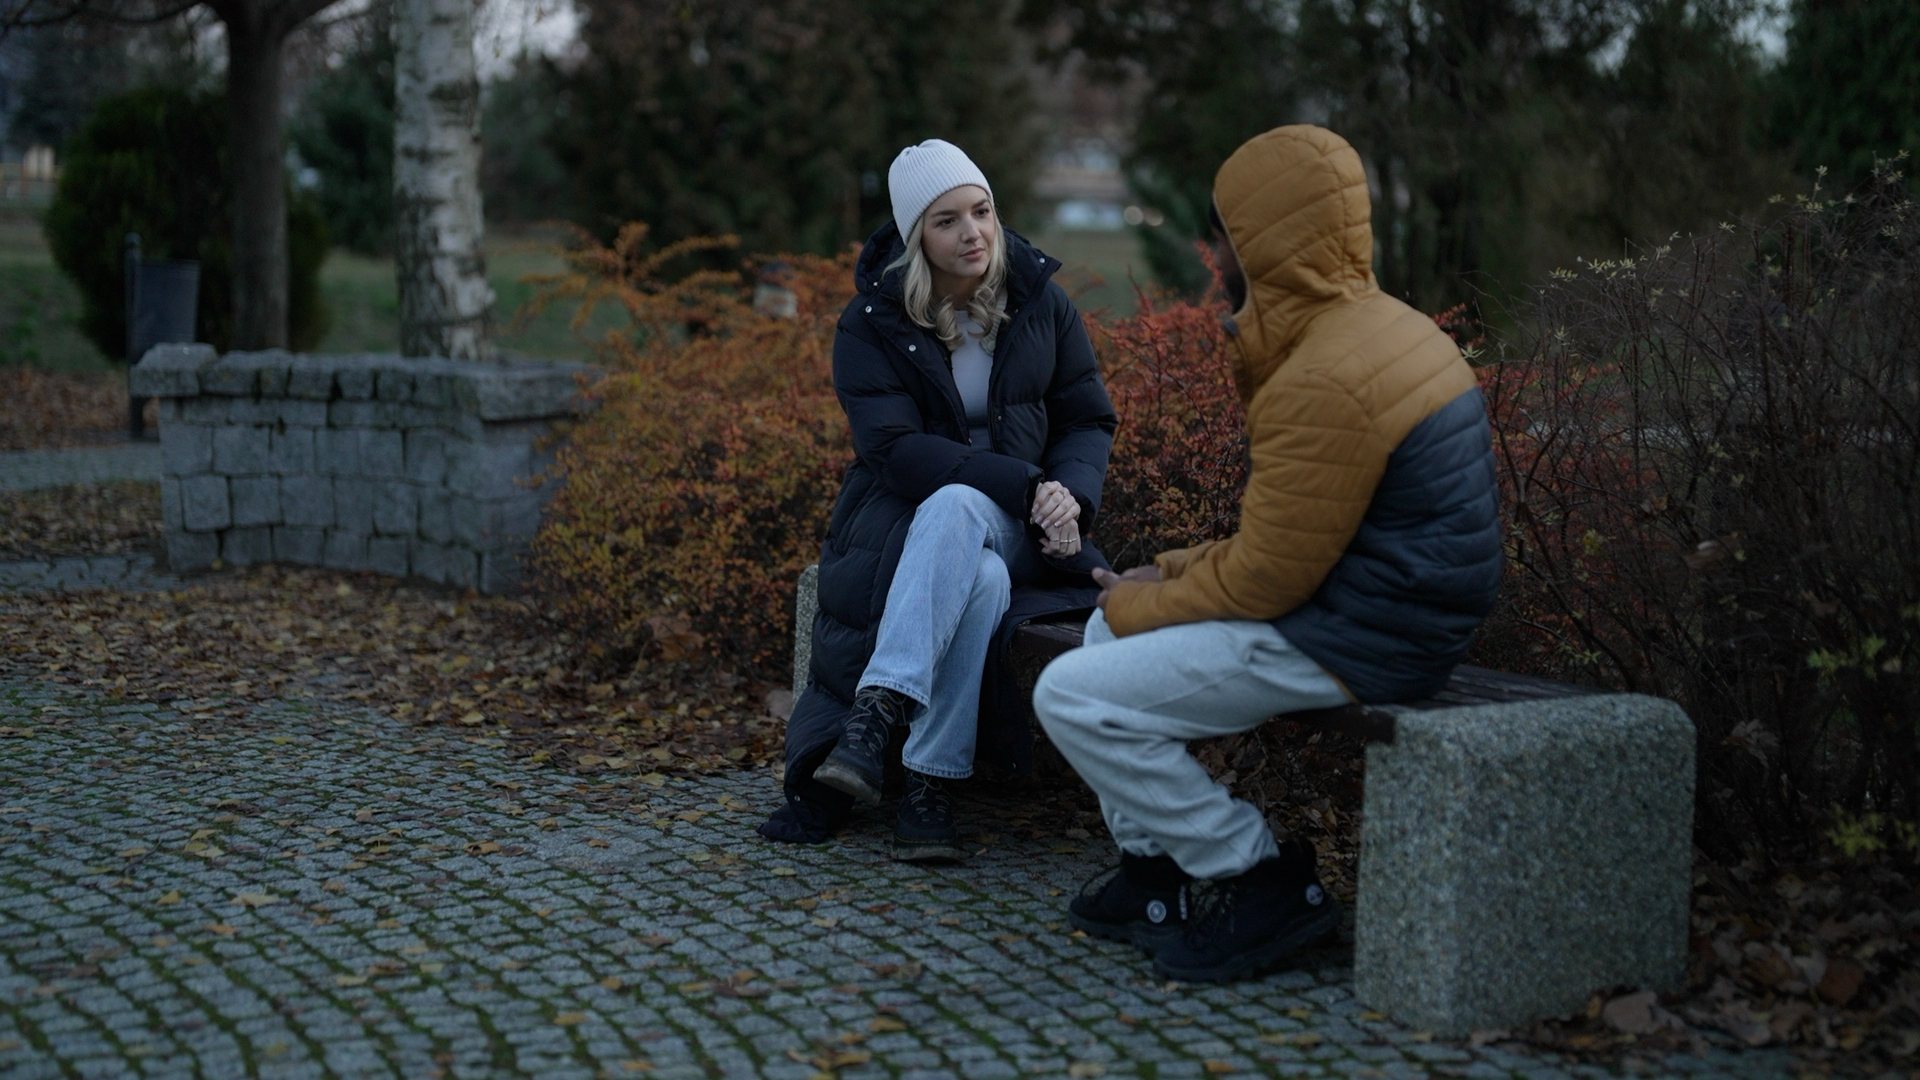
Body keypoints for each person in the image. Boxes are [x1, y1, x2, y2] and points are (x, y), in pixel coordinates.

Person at [1032, 124, 1503, 982]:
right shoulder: (1371, 330)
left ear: (1266, 237)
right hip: (1369, 606)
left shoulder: (1327, 372)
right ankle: (1154, 876)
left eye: (1226, 230)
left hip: (1365, 637)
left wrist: (1134, 600)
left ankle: (1260, 879)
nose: (1218, 249)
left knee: (1071, 692)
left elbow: (1271, 576)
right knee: (1105, 642)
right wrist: (1164, 573)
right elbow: (1292, 536)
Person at [759, 139, 1116, 861]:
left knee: (959, 510)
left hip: (1027, 522)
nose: (973, 233)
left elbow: (1087, 419)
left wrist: (1066, 499)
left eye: (981, 211)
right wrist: (1022, 485)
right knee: (972, 562)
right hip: (921, 515)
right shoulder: (872, 323)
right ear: (916, 233)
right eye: (947, 219)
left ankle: (875, 714)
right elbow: (893, 448)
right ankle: (929, 784)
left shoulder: (1042, 303)